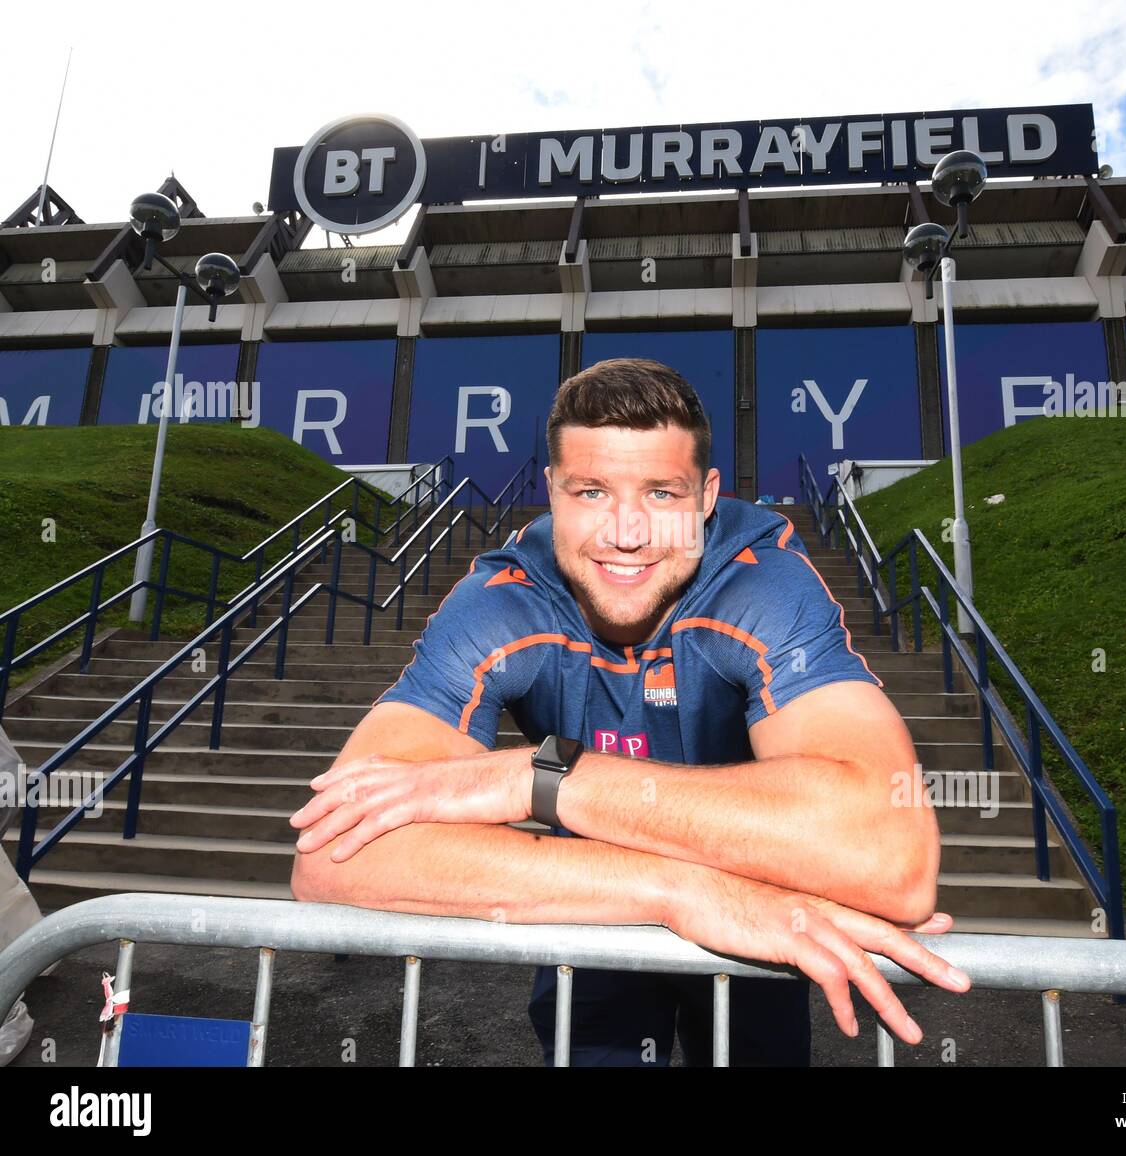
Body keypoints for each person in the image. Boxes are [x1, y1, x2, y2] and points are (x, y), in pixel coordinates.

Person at [289, 357, 967, 1066]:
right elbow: (333, 857)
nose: (627, 532)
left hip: (757, 921)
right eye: (590, 491)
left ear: (707, 497)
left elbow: (893, 860)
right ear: (551, 492)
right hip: (642, 898)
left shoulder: (761, 581)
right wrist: (681, 890)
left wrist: (540, 778)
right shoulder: (502, 601)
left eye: (662, 494)